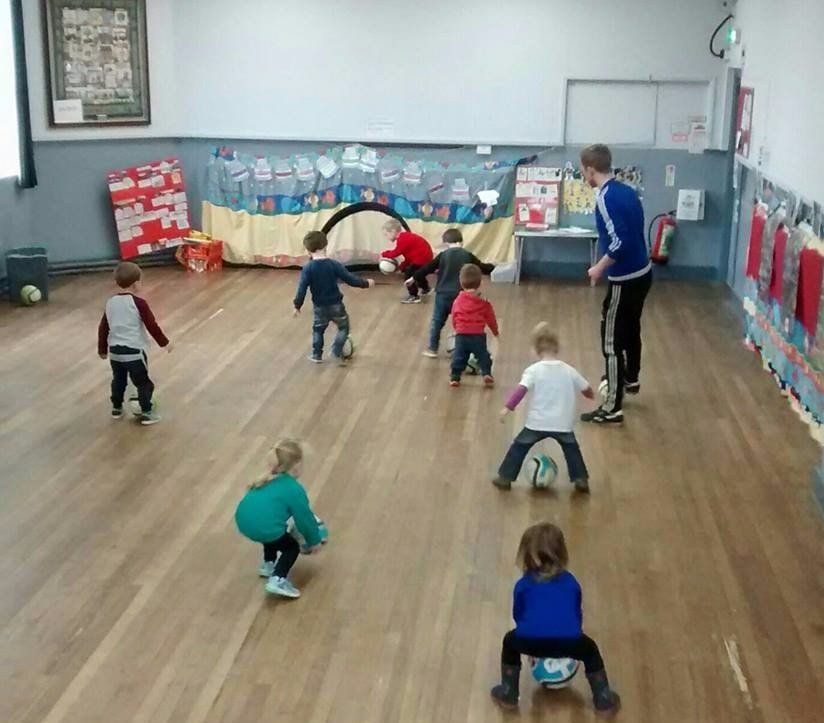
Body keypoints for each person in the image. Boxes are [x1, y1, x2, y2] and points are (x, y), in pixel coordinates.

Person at [490, 522, 621, 714]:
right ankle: (603, 698)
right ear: (562, 554)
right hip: (569, 641)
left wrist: (531, 632)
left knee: (509, 642)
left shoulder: (523, 584)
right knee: (590, 651)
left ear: (525, 555)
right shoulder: (571, 582)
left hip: (529, 639)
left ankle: (509, 693)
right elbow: (576, 613)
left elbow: (518, 614)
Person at [579, 143, 652, 424]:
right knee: (631, 327)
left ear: (590, 169)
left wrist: (599, 267)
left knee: (610, 340)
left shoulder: (606, 198)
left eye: (583, 169)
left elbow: (620, 242)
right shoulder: (627, 191)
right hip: (643, 273)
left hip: (624, 278)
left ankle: (611, 407)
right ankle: (630, 378)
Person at [494, 323, 593, 492]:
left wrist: (507, 408)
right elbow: (586, 388)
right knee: (571, 450)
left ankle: (505, 478)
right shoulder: (569, 370)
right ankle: (580, 479)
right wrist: (590, 395)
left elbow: (520, 391)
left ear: (535, 349)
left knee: (519, 446)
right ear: (557, 347)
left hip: (537, 423)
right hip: (563, 423)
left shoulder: (533, 371)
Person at [234, 439, 324, 599]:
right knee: (291, 548)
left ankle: (268, 564)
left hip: (244, 523)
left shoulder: (267, 479)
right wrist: (314, 540)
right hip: (265, 526)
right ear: (296, 465)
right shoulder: (294, 489)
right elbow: (305, 519)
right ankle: (278, 579)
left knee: (271, 534)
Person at [97, 261, 172, 425]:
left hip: (115, 353)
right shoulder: (139, 303)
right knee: (143, 383)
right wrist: (165, 343)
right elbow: (151, 325)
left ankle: (116, 408)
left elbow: (103, 327)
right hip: (135, 352)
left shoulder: (110, 303)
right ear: (136, 283)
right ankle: (147, 412)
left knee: (118, 381)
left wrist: (102, 349)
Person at [294, 230, 374, 364]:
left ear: (308, 251)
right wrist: (366, 283)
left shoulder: (308, 268)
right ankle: (337, 349)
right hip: (336, 305)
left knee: (318, 330)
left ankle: (316, 355)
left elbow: (302, 288)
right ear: (326, 246)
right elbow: (350, 279)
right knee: (344, 328)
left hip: (319, 306)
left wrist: (297, 305)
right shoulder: (334, 264)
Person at [412, 228, 494, 357]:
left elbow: (427, 268)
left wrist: (413, 278)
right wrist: (494, 267)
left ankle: (432, 348)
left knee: (437, 321)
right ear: (461, 242)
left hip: (442, 295)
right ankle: (459, 348)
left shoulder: (443, 255)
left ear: (446, 243)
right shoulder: (467, 254)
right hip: (460, 296)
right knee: (460, 322)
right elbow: (482, 267)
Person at [449, 263, 498, 388]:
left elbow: (454, 316)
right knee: (483, 356)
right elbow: (490, 318)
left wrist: (456, 328)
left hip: (461, 335)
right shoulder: (484, 303)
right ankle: (486, 373)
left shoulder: (457, 301)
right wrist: (495, 332)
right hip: (478, 335)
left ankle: (455, 377)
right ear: (480, 283)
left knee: (459, 356)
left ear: (461, 283)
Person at [380, 219, 434, 303]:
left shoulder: (402, 238)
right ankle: (426, 288)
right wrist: (401, 267)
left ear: (393, 231)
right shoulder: (406, 237)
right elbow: (408, 258)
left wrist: (383, 254)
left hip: (421, 259)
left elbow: (396, 253)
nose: (386, 237)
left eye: (386, 234)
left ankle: (414, 296)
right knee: (418, 273)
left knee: (409, 274)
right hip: (424, 258)